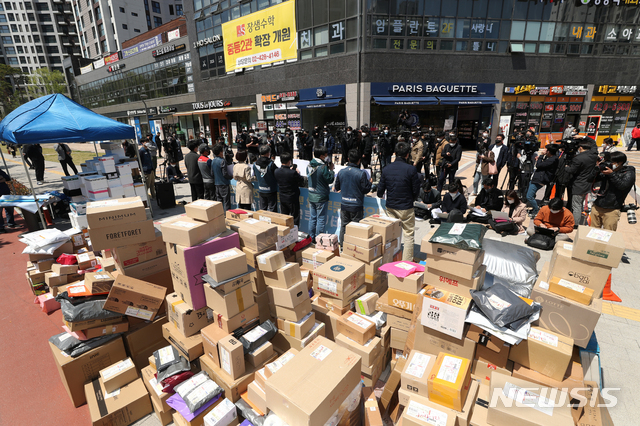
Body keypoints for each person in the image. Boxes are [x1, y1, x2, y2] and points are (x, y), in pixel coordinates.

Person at [377, 142, 421, 260]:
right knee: (408, 235)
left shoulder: (386, 169)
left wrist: (381, 195)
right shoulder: (411, 169)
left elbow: (380, 190)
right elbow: (416, 190)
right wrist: (412, 199)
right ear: (407, 155)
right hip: (406, 207)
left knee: (391, 235)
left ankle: (389, 258)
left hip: (391, 206)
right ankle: (406, 261)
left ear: (395, 153)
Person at [590, 151, 636, 231]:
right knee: (592, 232)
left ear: (620, 163)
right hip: (597, 206)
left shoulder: (628, 172)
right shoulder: (607, 170)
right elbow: (590, 179)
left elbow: (622, 186)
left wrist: (611, 174)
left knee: (608, 234)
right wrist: (596, 170)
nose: (609, 164)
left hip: (612, 209)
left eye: (612, 162)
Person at [335, 149, 372, 244]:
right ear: (359, 160)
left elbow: (337, 187)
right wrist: (370, 183)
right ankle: (352, 247)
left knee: (344, 226)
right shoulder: (361, 173)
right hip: (356, 205)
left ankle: (342, 246)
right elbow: (365, 189)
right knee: (355, 227)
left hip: (344, 204)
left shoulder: (341, 172)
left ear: (348, 159)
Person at [564, 138, 599, 226]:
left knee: (576, 206)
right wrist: (583, 137)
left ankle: (575, 224)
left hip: (579, 184)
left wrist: (566, 167)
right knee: (580, 204)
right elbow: (594, 143)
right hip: (587, 184)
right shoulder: (593, 154)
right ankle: (578, 220)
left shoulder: (578, 158)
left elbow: (572, 170)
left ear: (580, 148)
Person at [307, 146, 335, 241]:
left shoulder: (309, 165)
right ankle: (319, 240)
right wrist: (331, 170)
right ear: (322, 156)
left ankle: (311, 238)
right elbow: (330, 179)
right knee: (321, 219)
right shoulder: (323, 167)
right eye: (326, 155)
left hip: (311, 195)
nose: (327, 156)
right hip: (321, 196)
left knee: (312, 218)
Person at [526, 144, 559, 217]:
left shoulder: (553, 159)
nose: (544, 151)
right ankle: (534, 209)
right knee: (531, 195)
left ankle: (536, 210)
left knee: (529, 196)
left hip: (540, 180)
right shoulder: (551, 158)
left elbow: (539, 165)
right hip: (538, 178)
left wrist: (541, 156)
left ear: (549, 151)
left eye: (546, 150)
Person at [274, 153, 305, 227]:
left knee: (285, 217)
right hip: (292, 198)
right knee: (295, 217)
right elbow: (301, 180)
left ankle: (285, 233)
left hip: (282, 197)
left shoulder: (276, 171)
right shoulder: (293, 172)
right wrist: (297, 173)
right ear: (289, 161)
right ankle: (295, 233)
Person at [253, 144, 279, 211]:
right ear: (268, 153)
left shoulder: (255, 164)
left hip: (261, 189)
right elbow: (277, 175)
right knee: (272, 209)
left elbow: (255, 175)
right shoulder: (271, 164)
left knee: (262, 209)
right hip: (271, 190)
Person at [211, 143, 233, 211]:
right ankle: (227, 216)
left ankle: (219, 215)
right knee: (226, 202)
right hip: (224, 184)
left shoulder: (213, 161)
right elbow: (225, 174)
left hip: (217, 184)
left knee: (219, 201)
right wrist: (231, 176)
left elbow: (212, 173)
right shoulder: (222, 161)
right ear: (221, 152)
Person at [0, 168, 21, 232]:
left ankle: (11, 223)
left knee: (9, 209)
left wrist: (2, 178)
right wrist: (2, 179)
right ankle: (1, 227)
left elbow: (8, 178)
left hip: (5, 192)